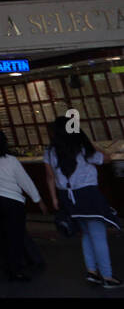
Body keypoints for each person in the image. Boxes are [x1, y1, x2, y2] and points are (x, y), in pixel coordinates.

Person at [44, 117, 121, 290]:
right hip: (88, 195)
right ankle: (107, 276)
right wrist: (91, 143)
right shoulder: (83, 149)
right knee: (98, 235)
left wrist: (54, 199)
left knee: (86, 234)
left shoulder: (50, 151)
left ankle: (92, 272)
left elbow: (49, 177)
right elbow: (107, 158)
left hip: (67, 197)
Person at [0, 128, 47, 281]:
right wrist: (38, 200)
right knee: (14, 237)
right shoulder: (11, 160)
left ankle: (5, 266)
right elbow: (25, 182)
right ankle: (15, 269)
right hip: (11, 203)